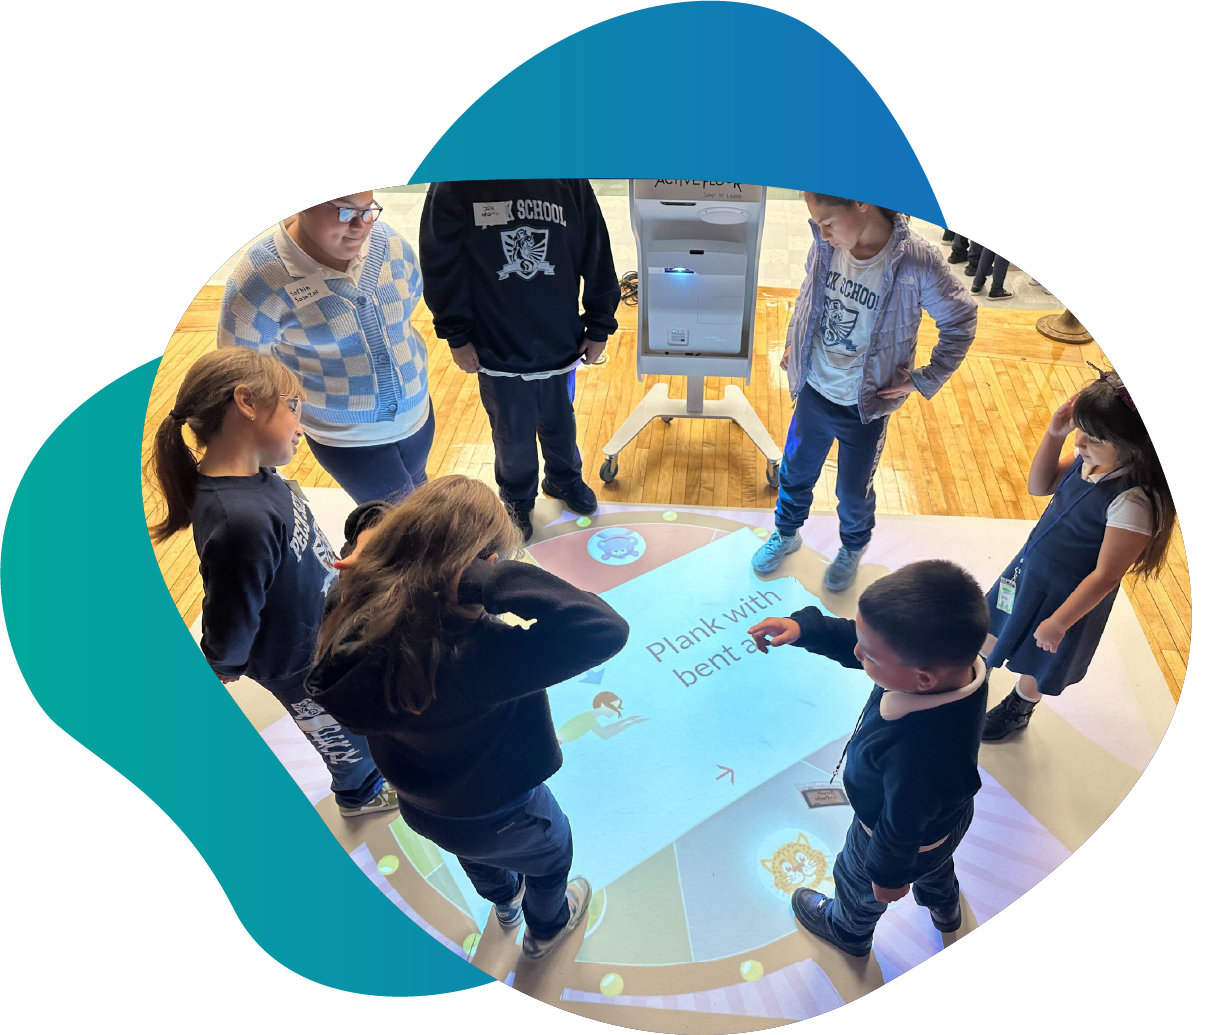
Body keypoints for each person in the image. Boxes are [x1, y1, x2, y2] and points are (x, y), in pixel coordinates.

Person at [305, 475, 630, 959]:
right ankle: (546, 929)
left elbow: (364, 527)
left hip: (426, 808)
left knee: (475, 857)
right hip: (506, 814)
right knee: (552, 858)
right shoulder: (478, 658)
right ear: (485, 565)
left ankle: (504, 902)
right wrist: (486, 581)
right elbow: (604, 628)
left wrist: (381, 544)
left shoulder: (352, 622)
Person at [148, 349, 398, 818]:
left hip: (325, 629)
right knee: (337, 733)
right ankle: (359, 795)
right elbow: (232, 607)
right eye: (293, 406)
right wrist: (225, 661)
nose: (302, 424)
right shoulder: (238, 519)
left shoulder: (258, 476)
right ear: (246, 402)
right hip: (295, 661)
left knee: (358, 710)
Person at [746, 560, 990, 956]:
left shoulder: (922, 754)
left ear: (923, 678)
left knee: (856, 882)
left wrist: (886, 877)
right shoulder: (956, 666)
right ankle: (944, 905)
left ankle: (848, 931)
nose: (858, 652)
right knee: (936, 863)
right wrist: (807, 628)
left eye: (869, 657)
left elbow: (900, 826)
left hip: (885, 836)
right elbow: (865, 642)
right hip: (945, 825)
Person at [753, 193, 978, 590]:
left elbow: (960, 320)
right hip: (814, 391)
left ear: (861, 202)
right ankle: (786, 534)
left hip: (865, 408)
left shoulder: (916, 261)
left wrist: (923, 378)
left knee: (853, 492)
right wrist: (794, 340)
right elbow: (808, 296)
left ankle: (852, 547)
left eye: (828, 223)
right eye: (817, 225)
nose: (822, 235)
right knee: (795, 471)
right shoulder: (827, 246)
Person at [980, 366, 1177, 740]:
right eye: (1079, 430)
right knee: (998, 621)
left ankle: (1020, 706)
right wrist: (1054, 435)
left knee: (1042, 659)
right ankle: (975, 674)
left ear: (1135, 446)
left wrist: (1060, 622)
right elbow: (1039, 486)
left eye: (1094, 438)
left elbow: (1105, 576)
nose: (1080, 442)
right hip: (1030, 570)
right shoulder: (1090, 460)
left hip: (1069, 596)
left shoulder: (1134, 502)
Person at [419, 181, 621, 541]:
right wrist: (457, 334)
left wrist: (599, 324)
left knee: (561, 422)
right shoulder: (454, 183)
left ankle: (564, 479)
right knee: (512, 435)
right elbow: (440, 263)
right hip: (497, 341)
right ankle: (517, 499)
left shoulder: (568, 176)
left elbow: (596, 251)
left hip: (559, 338)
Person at [218, 192, 433, 506]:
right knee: (402, 523)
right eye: (346, 212)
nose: (362, 225)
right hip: (347, 437)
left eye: (368, 210)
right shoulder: (259, 278)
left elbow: (409, 300)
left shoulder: (390, 244)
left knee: (422, 495)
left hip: (417, 416)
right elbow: (243, 372)